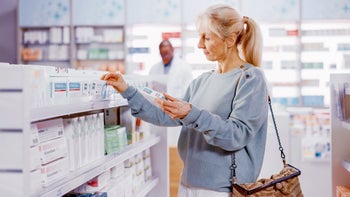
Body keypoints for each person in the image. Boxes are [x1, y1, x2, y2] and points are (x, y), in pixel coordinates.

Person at [101, 4, 268, 196]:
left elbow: (237, 135)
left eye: (206, 37)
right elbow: (165, 115)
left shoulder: (250, 79)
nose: (199, 44)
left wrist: (192, 114)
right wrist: (127, 90)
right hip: (187, 184)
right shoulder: (202, 81)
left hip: (222, 190)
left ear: (229, 40)